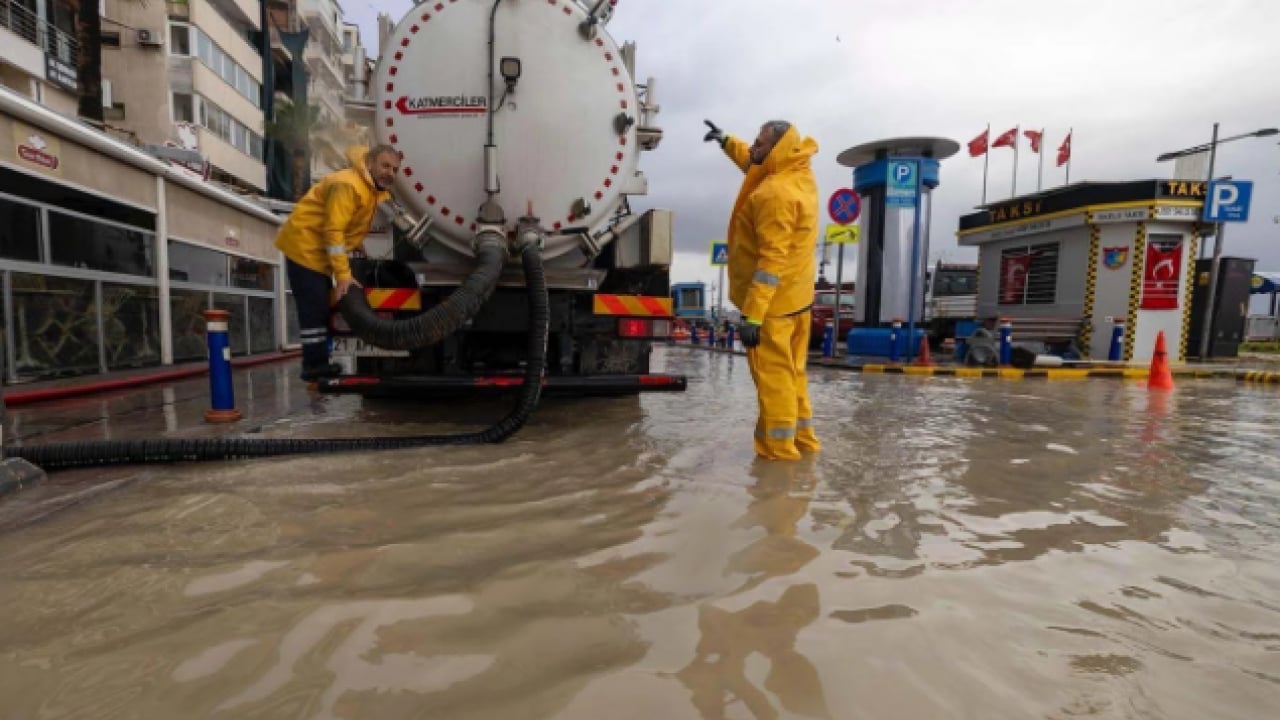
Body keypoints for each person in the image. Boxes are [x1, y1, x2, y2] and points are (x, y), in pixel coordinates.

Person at [703, 119, 821, 461]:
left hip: (771, 311)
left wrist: (752, 315)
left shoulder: (774, 195)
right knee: (793, 376)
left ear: (777, 150)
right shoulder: (797, 173)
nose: (753, 147)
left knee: (775, 382)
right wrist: (727, 141)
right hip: (797, 300)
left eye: (760, 142)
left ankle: (779, 456)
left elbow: (770, 263)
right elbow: (754, 161)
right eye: (753, 140)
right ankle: (805, 443)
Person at [275, 144, 400, 380]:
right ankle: (314, 366)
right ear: (370, 162)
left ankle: (317, 361)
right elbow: (333, 231)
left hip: (316, 252)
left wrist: (355, 244)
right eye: (385, 165)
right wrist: (343, 274)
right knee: (314, 308)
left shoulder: (369, 188)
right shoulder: (348, 185)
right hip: (305, 249)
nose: (390, 173)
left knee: (320, 306)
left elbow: (349, 223)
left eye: (395, 169)